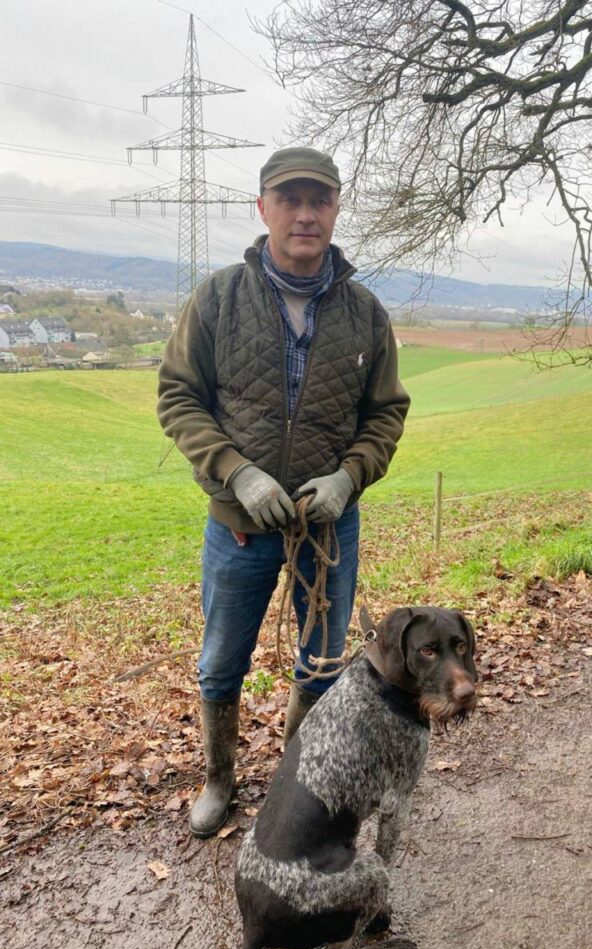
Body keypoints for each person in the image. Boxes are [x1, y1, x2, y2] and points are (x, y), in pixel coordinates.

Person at [157, 147, 410, 839]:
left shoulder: (364, 313)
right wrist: (236, 471)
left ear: (335, 209)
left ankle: (292, 785)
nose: (305, 214)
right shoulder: (218, 298)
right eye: (290, 199)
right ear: (262, 206)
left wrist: (348, 476)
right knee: (220, 661)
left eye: (319, 200)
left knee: (323, 662)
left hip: (330, 528)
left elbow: (385, 412)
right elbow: (179, 397)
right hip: (239, 526)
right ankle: (218, 778)